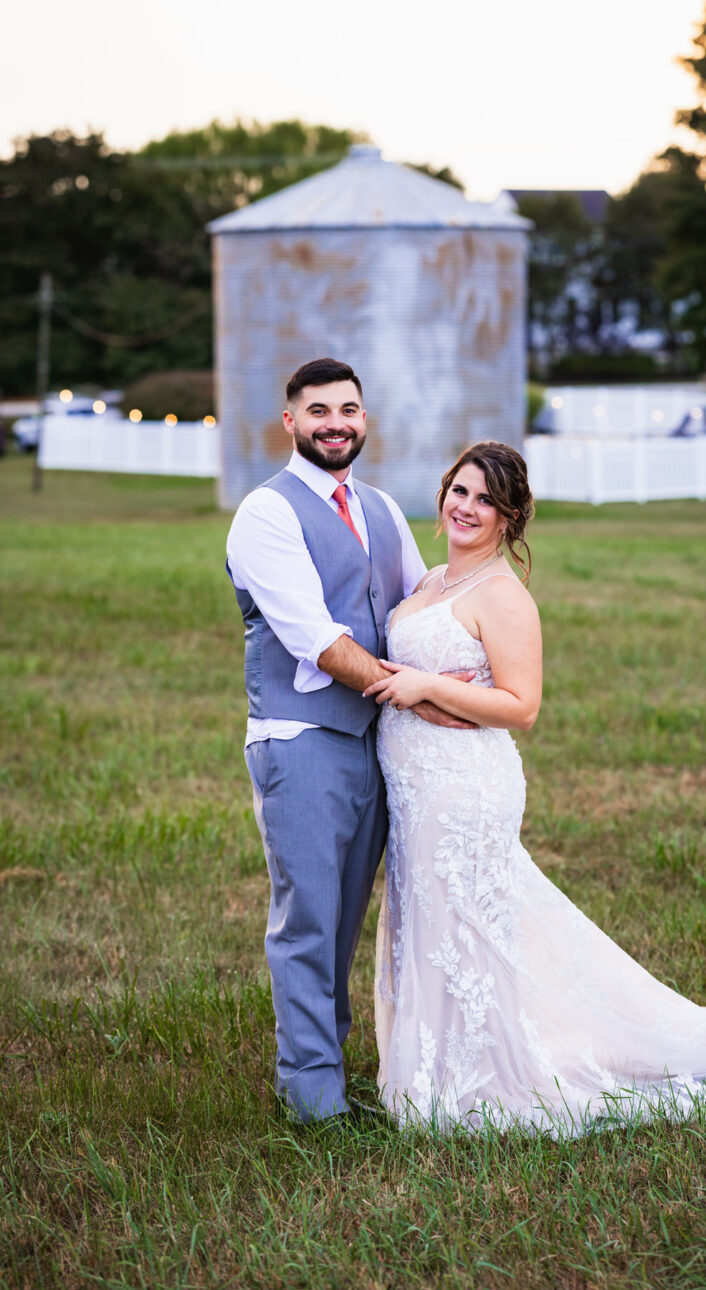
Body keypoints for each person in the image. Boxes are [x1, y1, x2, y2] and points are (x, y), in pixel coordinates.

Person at [367, 440, 706, 1135]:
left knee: (467, 923)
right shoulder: (427, 586)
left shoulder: (503, 597)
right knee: (432, 917)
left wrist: (425, 685)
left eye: (485, 500)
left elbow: (523, 706)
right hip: (417, 785)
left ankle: (487, 1073)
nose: (466, 508)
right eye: (459, 491)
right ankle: (433, 1062)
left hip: (465, 787)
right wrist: (425, 694)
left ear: (510, 517)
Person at [226, 357, 471, 1124]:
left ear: (365, 420)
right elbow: (316, 637)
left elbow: (418, 599)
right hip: (301, 740)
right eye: (320, 410)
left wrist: (486, 596)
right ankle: (313, 1100)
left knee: (346, 920)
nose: (337, 423)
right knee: (307, 918)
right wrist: (416, 696)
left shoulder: (379, 507)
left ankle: (332, 1065)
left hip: (377, 744)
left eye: (350, 410)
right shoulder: (264, 515)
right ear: (290, 422)